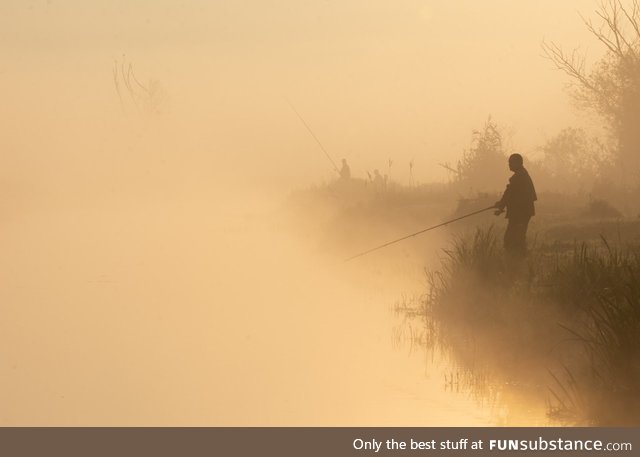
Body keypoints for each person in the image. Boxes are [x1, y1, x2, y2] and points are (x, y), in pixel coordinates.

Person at [494, 153, 537, 257]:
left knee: (511, 239)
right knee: (517, 238)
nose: (509, 164)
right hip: (521, 212)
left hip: (520, 213)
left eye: (511, 162)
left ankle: (516, 261)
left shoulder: (519, 176)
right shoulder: (521, 175)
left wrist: (501, 205)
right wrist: (501, 206)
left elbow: (509, 193)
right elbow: (511, 194)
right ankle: (518, 260)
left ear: (518, 163)